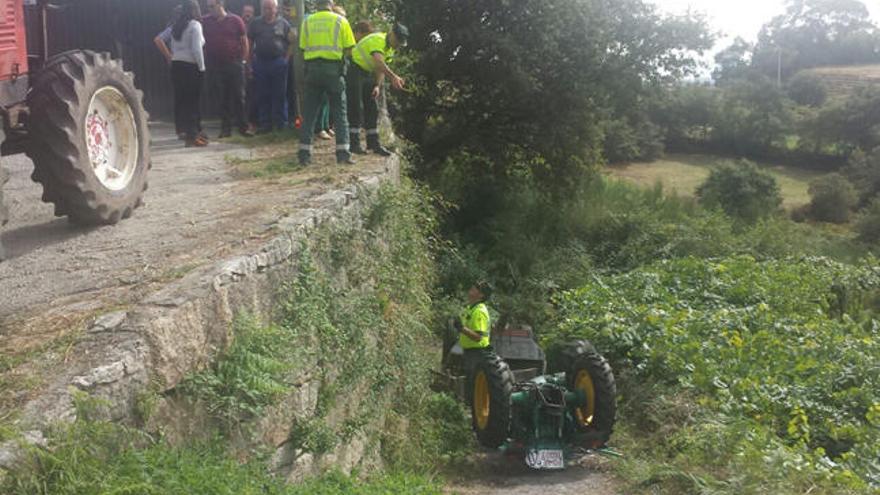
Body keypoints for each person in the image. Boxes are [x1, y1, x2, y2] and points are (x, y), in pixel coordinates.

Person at [297, 0, 356, 166]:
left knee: (309, 114)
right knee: (339, 113)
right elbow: (350, 48)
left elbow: (302, 48)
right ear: (331, 4)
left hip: (312, 71)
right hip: (333, 72)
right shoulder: (340, 21)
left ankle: (304, 155)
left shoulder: (307, 21)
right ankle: (343, 153)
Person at [347, 22, 408, 156]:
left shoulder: (390, 49)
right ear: (391, 34)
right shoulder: (378, 39)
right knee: (356, 107)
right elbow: (379, 61)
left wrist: (377, 86)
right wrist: (393, 77)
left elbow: (380, 69)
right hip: (355, 70)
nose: (398, 45)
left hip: (368, 74)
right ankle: (354, 144)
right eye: (397, 41)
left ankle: (373, 143)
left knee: (372, 108)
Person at [155, 0, 207, 147]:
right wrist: (202, 68)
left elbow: (160, 40)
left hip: (176, 66)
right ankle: (192, 136)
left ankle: (187, 132)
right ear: (195, 10)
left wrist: (170, 57)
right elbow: (197, 49)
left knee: (183, 101)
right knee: (193, 102)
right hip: (191, 66)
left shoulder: (175, 26)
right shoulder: (195, 25)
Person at [203, 0, 253, 138]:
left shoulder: (235, 20)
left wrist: (243, 60)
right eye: (208, 7)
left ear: (220, 5)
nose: (209, 9)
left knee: (239, 96)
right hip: (216, 64)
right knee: (222, 97)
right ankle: (226, 129)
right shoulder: (205, 21)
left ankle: (244, 127)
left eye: (212, 6)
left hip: (234, 63)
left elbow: (245, 41)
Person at [249, 0, 291, 133]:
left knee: (280, 94)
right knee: (262, 94)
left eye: (269, 8)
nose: (266, 10)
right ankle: (265, 124)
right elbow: (249, 42)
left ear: (276, 8)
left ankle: (280, 124)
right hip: (260, 62)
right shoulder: (255, 23)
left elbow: (291, 42)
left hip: (278, 63)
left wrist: (286, 59)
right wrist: (249, 61)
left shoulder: (283, 23)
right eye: (264, 8)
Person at [456, 281, 494, 389]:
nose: (470, 290)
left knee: (472, 386)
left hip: (478, 354)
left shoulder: (479, 311)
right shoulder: (471, 308)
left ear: (481, 295)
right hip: (470, 352)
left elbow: (478, 337)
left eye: (473, 289)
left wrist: (461, 328)